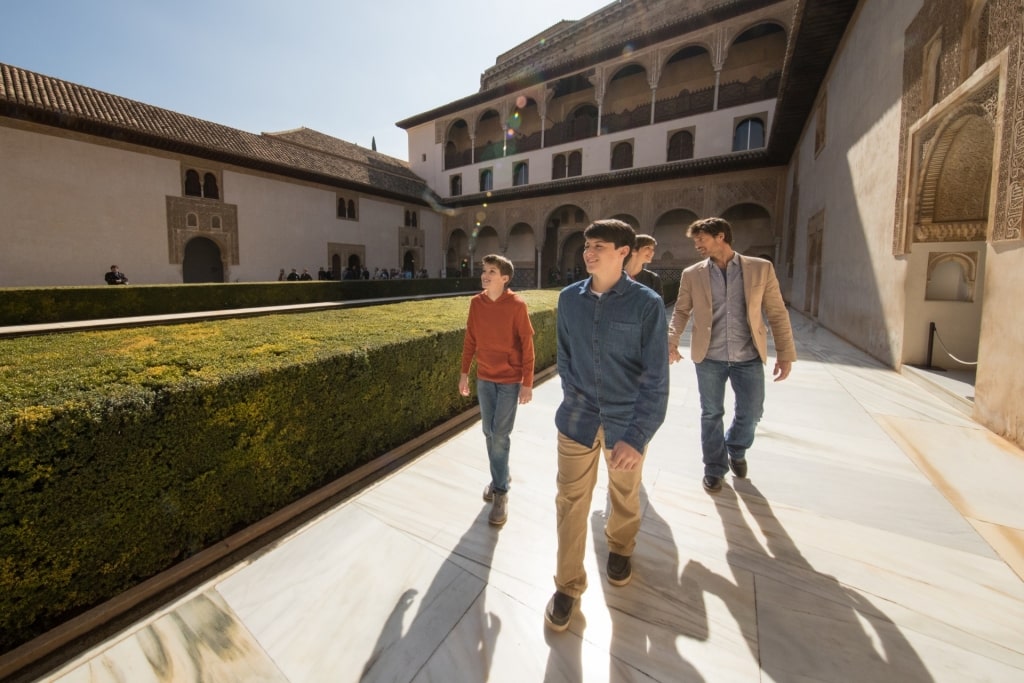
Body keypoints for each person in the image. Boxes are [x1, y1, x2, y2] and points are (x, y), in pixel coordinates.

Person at [545, 219, 669, 632]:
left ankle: (620, 545)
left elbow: (655, 377)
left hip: (625, 423)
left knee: (624, 494)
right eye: (587, 245)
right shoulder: (569, 300)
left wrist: (637, 436)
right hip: (577, 421)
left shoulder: (646, 304)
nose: (589, 252)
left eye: (599, 245)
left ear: (624, 252)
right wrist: (574, 398)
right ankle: (567, 585)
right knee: (570, 503)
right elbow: (563, 358)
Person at [668, 217, 797, 493]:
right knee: (711, 412)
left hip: (748, 355)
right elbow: (681, 311)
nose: (697, 245)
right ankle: (714, 468)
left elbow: (776, 312)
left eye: (701, 239)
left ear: (721, 236)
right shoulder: (692, 274)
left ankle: (736, 447)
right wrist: (672, 340)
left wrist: (785, 353)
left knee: (752, 412)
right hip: (709, 356)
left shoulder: (761, 269)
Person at [459, 254, 535, 527]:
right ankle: (500, 475)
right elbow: (470, 339)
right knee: (488, 432)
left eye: (492, 271)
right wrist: (464, 373)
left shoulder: (517, 305)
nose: (485, 275)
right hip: (485, 378)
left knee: (500, 435)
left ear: (505, 278)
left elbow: (527, 345)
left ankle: (500, 492)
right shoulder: (476, 304)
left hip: (509, 380)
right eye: (484, 271)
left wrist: (527, 382)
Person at [626, 234, 663, 300]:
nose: (652, 252)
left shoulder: (653, 279)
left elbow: (658, 306)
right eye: (647, 247)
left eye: (653, 249)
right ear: (634, 250)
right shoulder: (615, 276)